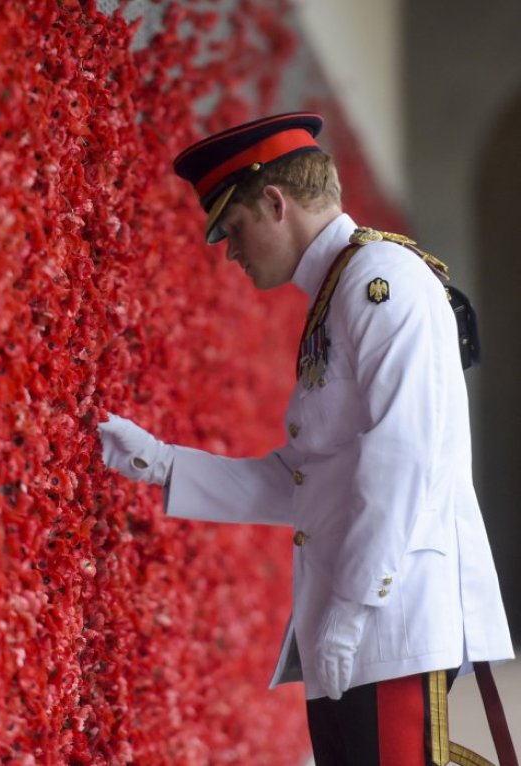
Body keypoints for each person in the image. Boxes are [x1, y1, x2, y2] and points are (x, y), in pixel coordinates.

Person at [97, 113, 514, 765]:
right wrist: (164, 464)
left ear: (274, 202)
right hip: (358, 628)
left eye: (233, 230)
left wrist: (353, 608)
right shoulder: (343, 289)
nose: (231, 252)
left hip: (390, 617)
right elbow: (305, 479)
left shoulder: (381, 282)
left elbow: (401, 454)